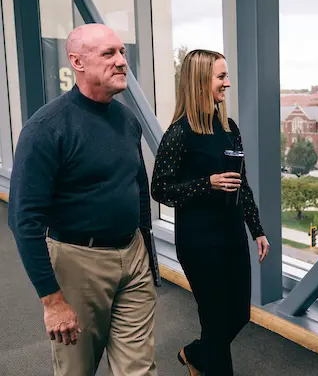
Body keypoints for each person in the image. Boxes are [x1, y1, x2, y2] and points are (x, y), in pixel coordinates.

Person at [8, 24, 160, 376]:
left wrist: (147, 254)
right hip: (78, 263)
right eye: (109, 54)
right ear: (77, 62)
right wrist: (52, 301)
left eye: (122, 52)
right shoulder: (46, 128)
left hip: (133, 257)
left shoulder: (127, 119)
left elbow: (137, 185)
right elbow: (24, 220)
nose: (122, 61)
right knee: (77, 369)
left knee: (140, 370)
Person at [151, 49, 270, 376]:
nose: (227, 83)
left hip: (232, 236)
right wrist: (208, 183)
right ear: (200, 80)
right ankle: (207, 359)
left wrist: (257, 230)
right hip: (199, 241)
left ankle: (193, 354)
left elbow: (241, 184)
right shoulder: (178, 134)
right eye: (221, 76)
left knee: (239, 316)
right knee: (217, 325)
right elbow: (160, 190)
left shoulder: (229, 126)